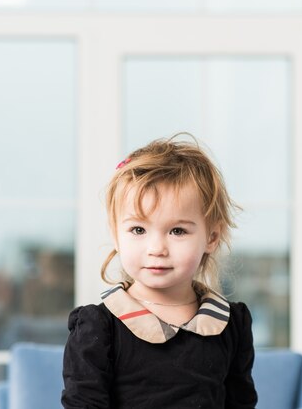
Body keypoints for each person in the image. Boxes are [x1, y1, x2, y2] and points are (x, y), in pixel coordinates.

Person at [61, 134, 258, 408]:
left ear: (211, 238)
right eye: (138, 230)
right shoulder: (98, 328)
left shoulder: (230, 324)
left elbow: (240, 403)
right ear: (116, 236)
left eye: (177, 231)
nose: (157, 248)